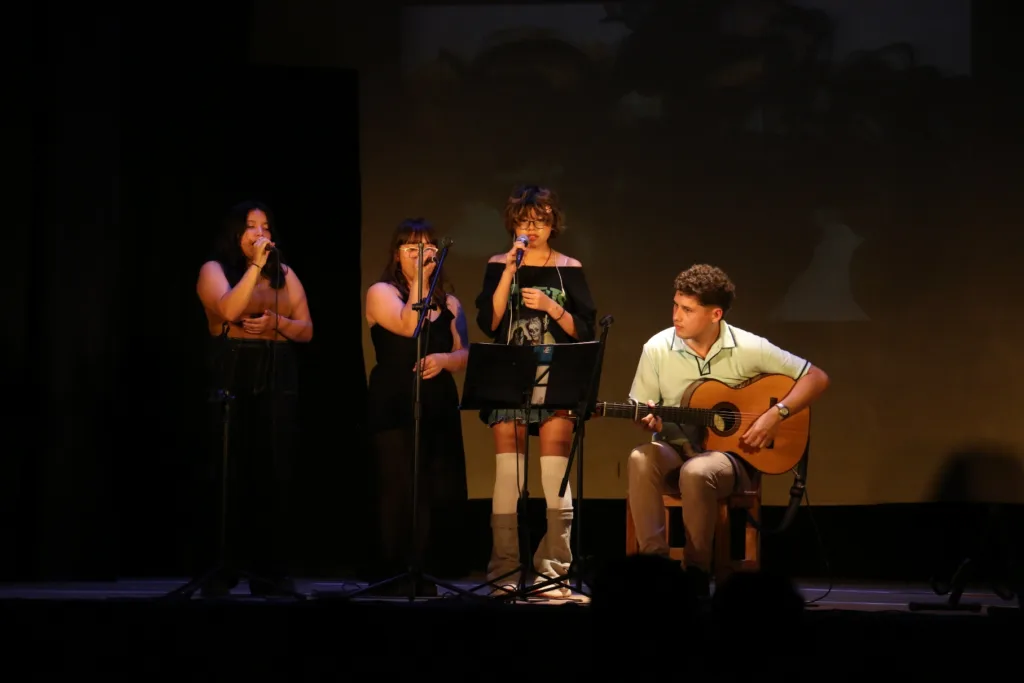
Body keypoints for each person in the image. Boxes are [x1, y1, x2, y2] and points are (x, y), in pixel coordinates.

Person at [626, 264, 829, 597]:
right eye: (675, 305)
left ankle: (694, 572)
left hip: (729, 459)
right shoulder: (657, 348)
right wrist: (645, 418)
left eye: (687, 309)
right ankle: (656, 568)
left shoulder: (750, 347)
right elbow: (641, 406)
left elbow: (816, 378)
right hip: (674, 447)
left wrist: (774, 415)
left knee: (697, 471)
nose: (676, 315)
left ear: (714, 314)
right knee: (639, 458)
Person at [474, 184, 597, 598]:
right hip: (510, 375)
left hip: (555, 377)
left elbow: (584, 329)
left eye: (541, 221)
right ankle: (504, 571)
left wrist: (551, 308)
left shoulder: (569, 267)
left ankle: (553, 572)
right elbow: (489, 324)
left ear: (552, 224)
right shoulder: (498, 263)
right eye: (526, 222)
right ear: (514, 225)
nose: (533, 228)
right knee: (509, 474)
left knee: (553, 477)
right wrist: (509, 270)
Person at [194, 199, 314, 597]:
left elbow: (306, 329)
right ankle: (222, 567)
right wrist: (256, 269)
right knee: (231, 470)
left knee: (273, 470)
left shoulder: (286, 274)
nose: (260, 233)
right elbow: (229, 309)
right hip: (233, 366)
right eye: (251, 225)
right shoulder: (215, 270)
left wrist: (277, 323)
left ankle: (271, 571)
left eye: (265, 226)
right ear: (235, 232)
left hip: (277, 371)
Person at [364, 219, 470, 595]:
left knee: (432, 488)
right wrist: (420, 283)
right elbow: (409, 325)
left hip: (437, 400)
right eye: (412, 248)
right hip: (394, 399)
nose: (420, 254)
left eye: (427, 248)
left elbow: (464, 353)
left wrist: (444, 360)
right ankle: (393, 571)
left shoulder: (451, 302)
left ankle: (425, 571)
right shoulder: (381, 292)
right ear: (397, 254)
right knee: (398, 487)